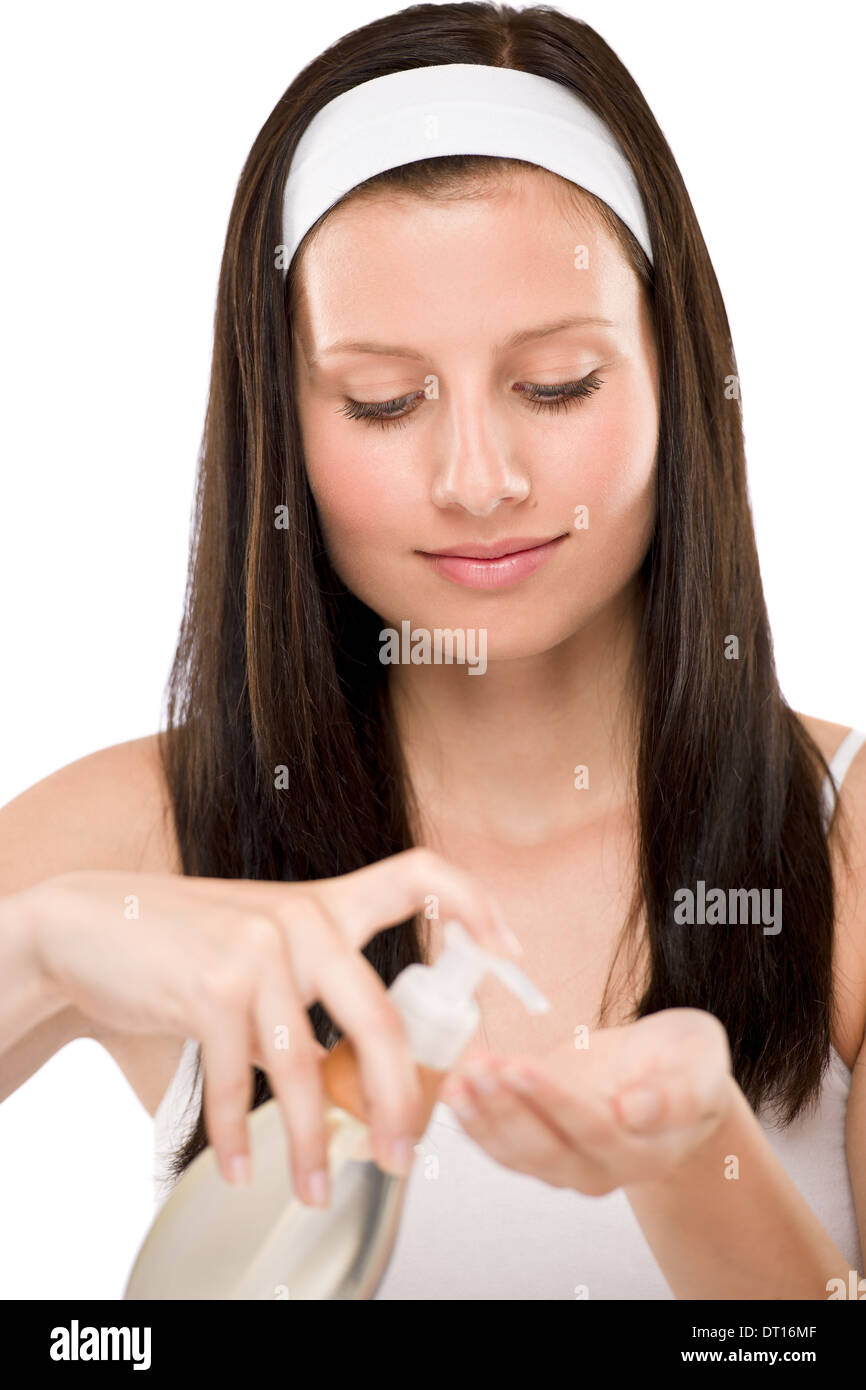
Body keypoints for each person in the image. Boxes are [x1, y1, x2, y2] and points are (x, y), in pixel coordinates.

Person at [2, 3, 864, 1300]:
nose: (478, 478)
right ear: (278, 418)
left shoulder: (840, 838)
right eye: (383, 401)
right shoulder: (140, 836)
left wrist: (696, 1164)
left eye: (557, 382)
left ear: (674, 376)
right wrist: (42, 947)